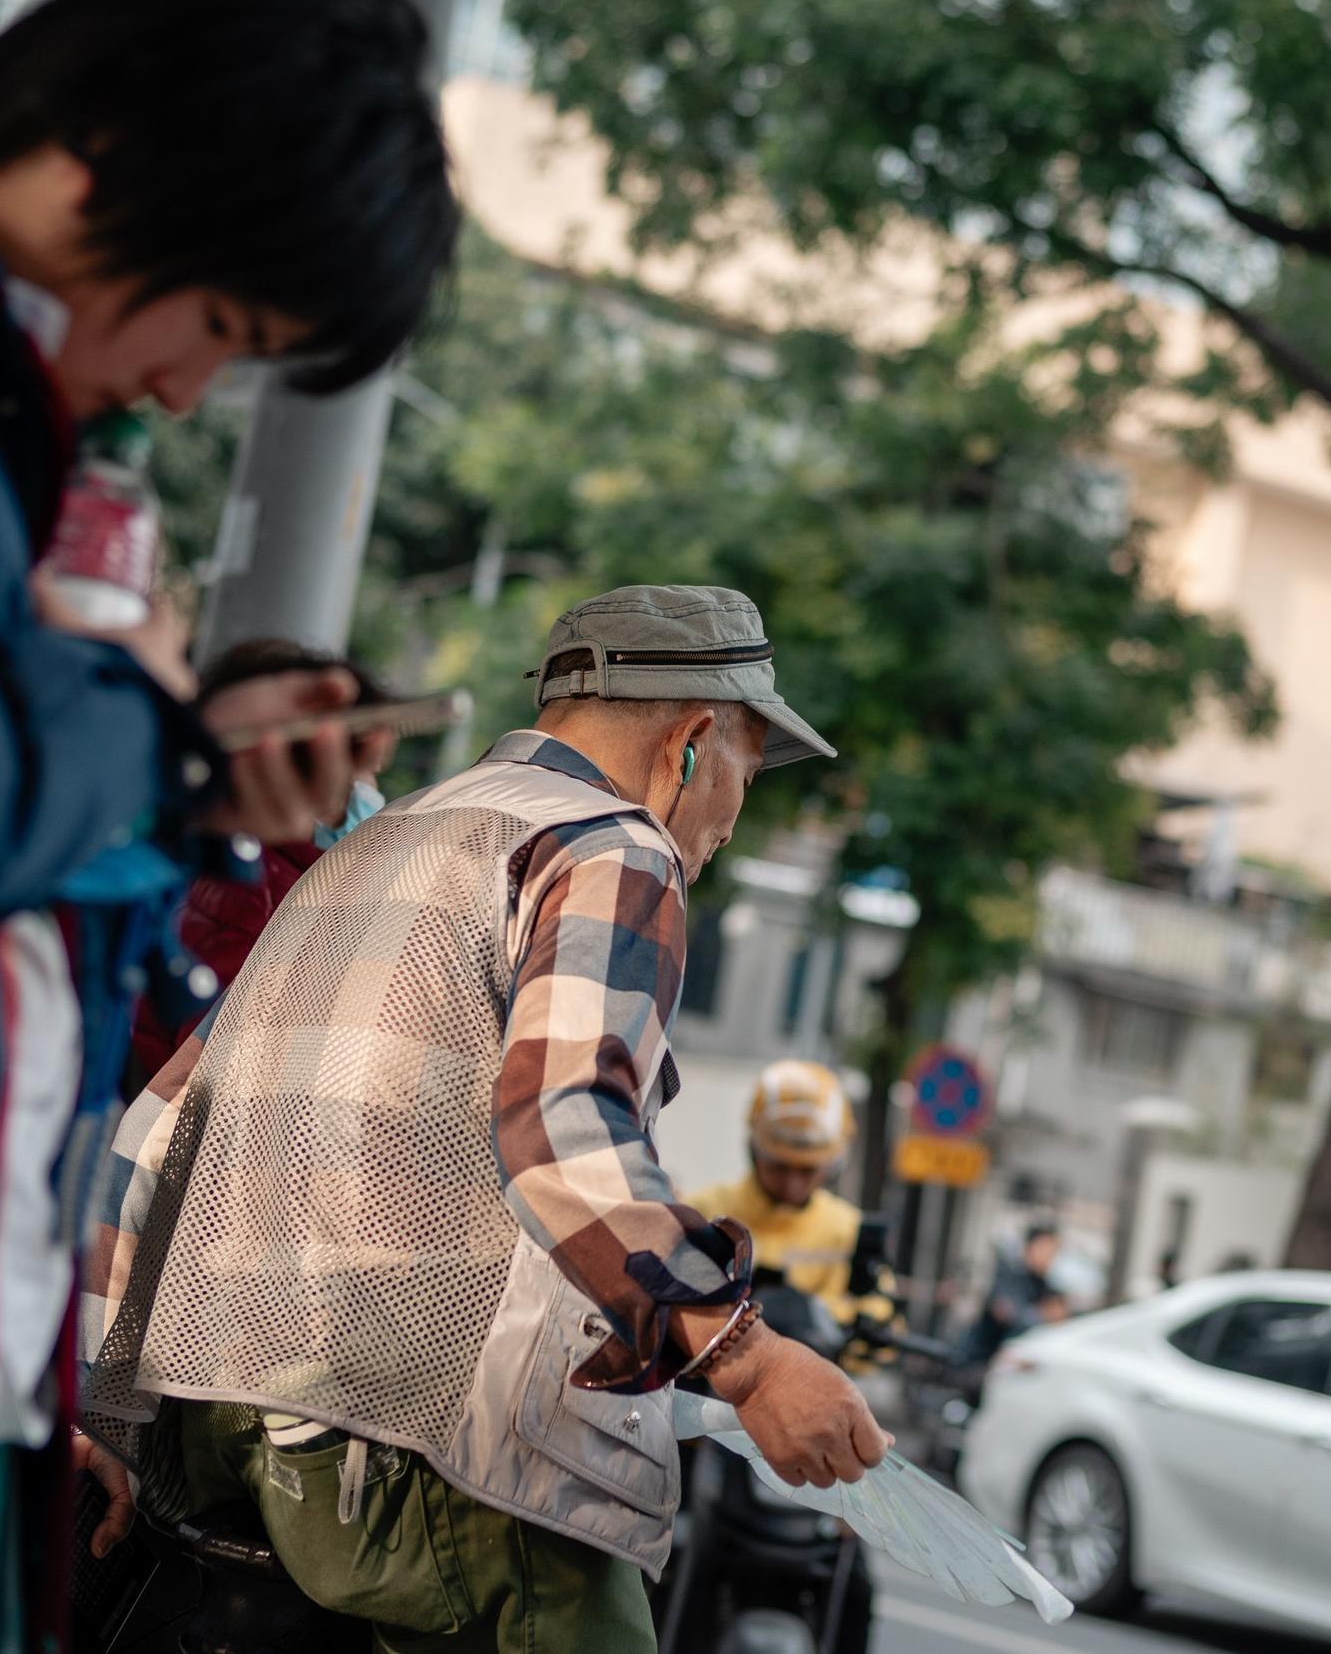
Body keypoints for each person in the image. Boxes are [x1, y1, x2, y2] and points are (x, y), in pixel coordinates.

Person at [0, 0, 454, 1647]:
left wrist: (184, 756)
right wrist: (127, 719)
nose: (185, 389)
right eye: (221, 326)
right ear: (114, 153)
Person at [83, 587, 885, 1653]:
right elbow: (565, 1124)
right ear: (689, 744)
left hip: (221, 1416)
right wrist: (747, 1358)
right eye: (747, 768)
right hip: (419, 1437)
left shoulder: (385, 835)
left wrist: (102, 1407)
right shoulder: (613, 850)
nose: (734, 817)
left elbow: (160, 1122)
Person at [128, 639, 401, 1082]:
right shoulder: (272, 894)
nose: (374, 794)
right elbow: (221, 1057)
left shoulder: (205, 855)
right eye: (366, 773)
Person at [688, 1060, 874, 1321]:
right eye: (778, 1166)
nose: (792, 1184)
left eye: (807, 1170)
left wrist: (822, 1315)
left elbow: (883, 1318)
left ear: (832, 1165)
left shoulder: (852, 1232)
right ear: (754, 1150)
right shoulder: (700, 1212)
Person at [963, 1224, 1068, 1364]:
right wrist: (1043, 1316)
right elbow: (1010, 1314)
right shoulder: (1009, 1273)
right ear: (1029, 1246)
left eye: (1054, 1251)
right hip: (979, 1359)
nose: (1049, 1256)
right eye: (1045, 1248)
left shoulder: (1043, 1283)